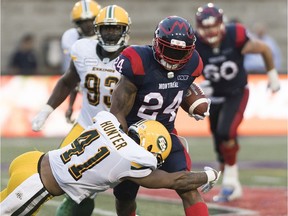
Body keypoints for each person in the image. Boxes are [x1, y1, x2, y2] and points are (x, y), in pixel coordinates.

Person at [0, 111, 221, 216]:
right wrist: (211, 175)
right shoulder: (132, 159)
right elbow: (176, 179)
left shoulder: (108, 121)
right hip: (36, 184)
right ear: (150, 148)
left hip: (30, 160)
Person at [31, 5, 132, 216]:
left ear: (125, 31)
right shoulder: (82, 49)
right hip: (86, 125)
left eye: (116, 29)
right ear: (98, 30)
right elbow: (67, 82)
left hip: (116, 133)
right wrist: (47, 110)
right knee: (55, 174)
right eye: (106, 29)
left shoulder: (135, 58)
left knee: (121, 192)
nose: (111, 34)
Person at [110, 16, 211, 216]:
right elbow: (117, 110)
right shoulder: (138, 60)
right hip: (132, 136)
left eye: (181, 52)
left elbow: (179, 86)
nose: (174, 57)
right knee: (125, 197)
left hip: (166, 136)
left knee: (188, 187)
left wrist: (190, 102)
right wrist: (123, 144)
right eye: (170, 50)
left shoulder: (193, 63)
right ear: (156, 43)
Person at [194, 3, 281, 202]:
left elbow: (264, 49)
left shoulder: (235, 36)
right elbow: (186, 70)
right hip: (214, 97)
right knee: (220, 145)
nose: (210, 31)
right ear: (199, 28)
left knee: (227, 132)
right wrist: (196, 86)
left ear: (221, 24)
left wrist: (273, 76)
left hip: (237, 92)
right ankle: (228, 178)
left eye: (213, 26)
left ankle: (232, 184)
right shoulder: (197, 44)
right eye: (205, 28)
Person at [61, 0, 101, 123]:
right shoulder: (71, 38)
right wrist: (70, 105)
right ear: (77, 23)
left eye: (91, 20)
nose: (88, 25)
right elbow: (73, 77)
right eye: (84, 22)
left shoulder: (108, 38)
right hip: (90, 94)